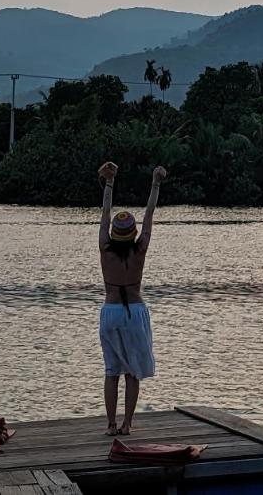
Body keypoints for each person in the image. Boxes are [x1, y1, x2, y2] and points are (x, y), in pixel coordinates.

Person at [97, 161, 165, 436]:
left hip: (111, 311)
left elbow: (104, 214)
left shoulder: (105, 248)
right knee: (132, 372)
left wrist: (110, 183)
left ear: (114, 233)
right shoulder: (139, 251)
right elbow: (148, 217)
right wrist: (156, 183)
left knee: (112, 370)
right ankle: (127, 424)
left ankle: (111, 424)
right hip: (134, 311)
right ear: (132, 233)